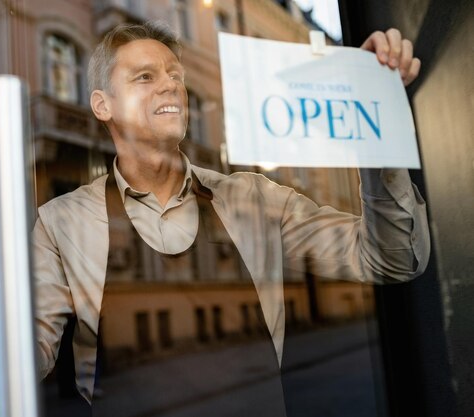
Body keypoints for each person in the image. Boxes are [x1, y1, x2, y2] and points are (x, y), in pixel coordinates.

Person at [33, 21, 429, 415]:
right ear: (103, 105)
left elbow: (391, 257)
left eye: (175, 75)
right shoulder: (60, 221)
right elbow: (28, 352)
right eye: (145, 76)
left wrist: (375, 117)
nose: (171, 85)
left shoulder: (255, 199)